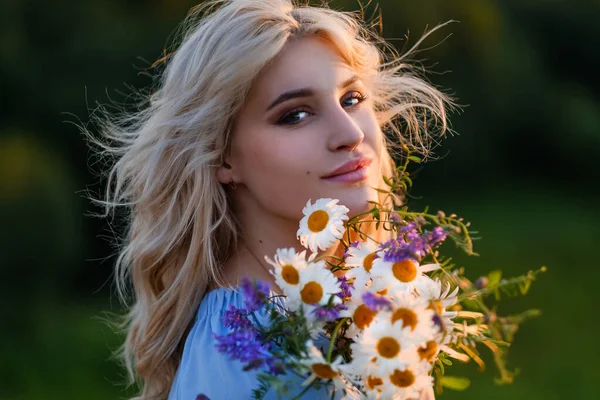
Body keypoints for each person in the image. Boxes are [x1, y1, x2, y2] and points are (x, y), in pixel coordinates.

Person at [84, 0, 452, 398]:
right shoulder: (242, 355)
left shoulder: (351, 313)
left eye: (351, 99)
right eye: (295, 115)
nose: (350, 133)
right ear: (222, 155)